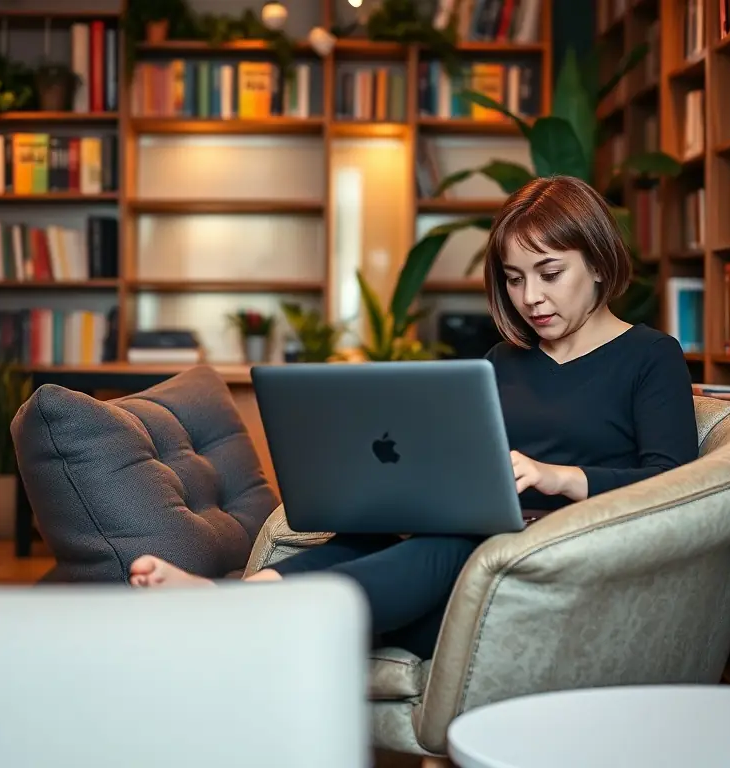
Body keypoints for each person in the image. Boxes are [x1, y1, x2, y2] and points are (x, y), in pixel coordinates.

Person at [128, 175, 700, 660]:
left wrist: (561, 476)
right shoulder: (503, 362)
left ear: (599, 264)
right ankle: (246, 598)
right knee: (377, 533)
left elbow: (681, 486)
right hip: (469, 561)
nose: (530, 297)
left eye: (550, 274)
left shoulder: (650, 358)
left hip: (551, 566)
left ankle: (240, 613)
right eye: (514, 277)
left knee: (454, 543)